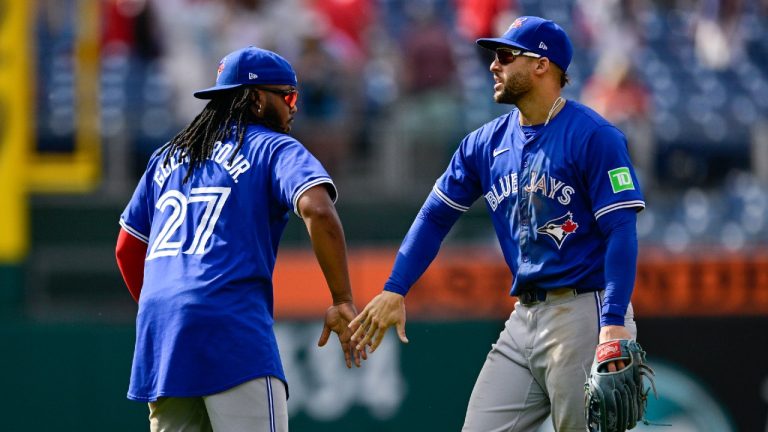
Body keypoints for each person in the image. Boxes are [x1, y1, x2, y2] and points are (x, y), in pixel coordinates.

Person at [350, 16, 645, 431]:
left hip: (583, 311)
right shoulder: (483, 144)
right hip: (523, 318)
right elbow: (436, 215)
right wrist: (395, 288)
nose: (493, 65)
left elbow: (621, 230)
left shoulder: (594, 136)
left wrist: (612, 324)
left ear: (542, 64)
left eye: (506, 56)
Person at [115, 46, 363, 432]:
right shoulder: (272, 147)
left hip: (162, 334)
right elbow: (317, 209)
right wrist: (342, 299)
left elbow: (127, 247)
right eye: (288, 96)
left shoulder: (165, 157)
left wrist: (167, 306)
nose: (294, 107)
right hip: (229, 324)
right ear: (257, 98)